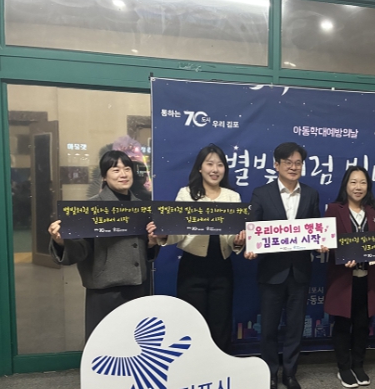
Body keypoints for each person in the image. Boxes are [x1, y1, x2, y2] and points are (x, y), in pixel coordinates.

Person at [48, 150, 158, 341]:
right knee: (104, 343)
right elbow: (81, 249)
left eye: (127, 169)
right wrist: (61, 242)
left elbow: (144, 249)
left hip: (137, 286)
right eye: (116, 170)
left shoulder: (141, 206)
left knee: (136, 342)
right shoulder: (92, 208)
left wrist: (152, 243)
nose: (123, 174)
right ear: (104, 177)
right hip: (105, 289)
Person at [245, 142, 326, 389]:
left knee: (295, 326)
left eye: (298, 163)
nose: (293, 167)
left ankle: (290, 373)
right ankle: (270, 373)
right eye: (288, 162)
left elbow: (315, 229)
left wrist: (320, 244)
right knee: (268, 327)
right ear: (276, 165)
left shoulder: (311, 194)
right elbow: (253, 227)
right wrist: (250, 246)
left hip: (300, 271)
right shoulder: (261, 193)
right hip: (271, 272)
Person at [152, 144, 245, 354]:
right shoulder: (186, 194)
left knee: (221, 322)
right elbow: (178, 231)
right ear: (200, 168)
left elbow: (233, 237)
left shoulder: (233, 197)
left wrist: (239, 242)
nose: (215, 169)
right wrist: (164, 234)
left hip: (222, 267)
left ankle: (221, 365)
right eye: (210, 164)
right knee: (192, 322)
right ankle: (193, 367)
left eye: (220, 165)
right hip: (192, 268)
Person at [324, 166, 375, 388]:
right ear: (345, 185)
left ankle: (358, 365)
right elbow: (327, 241)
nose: (358, 187)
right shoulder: (333, 209)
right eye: (353, 182)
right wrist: (339, 254)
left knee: (362, 324)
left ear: (368, 186)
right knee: (342, 324)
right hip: (343, 278)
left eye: (363, 182)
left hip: (369, 278)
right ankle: (344, 368)